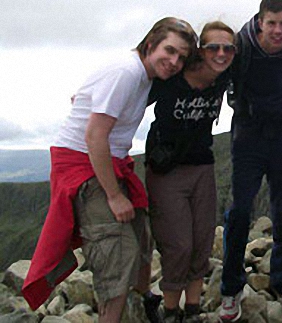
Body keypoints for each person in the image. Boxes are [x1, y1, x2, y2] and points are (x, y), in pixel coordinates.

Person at [22, 18, 198, 323]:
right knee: (117, 252)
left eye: (181, 57)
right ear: (150, 43)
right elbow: (94, 136)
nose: (174, 61)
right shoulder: (126, 72)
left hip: (107, 159)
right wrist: (114, 196)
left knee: (140, 240)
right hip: (84, 163)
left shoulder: (144, 75)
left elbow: (89, 101)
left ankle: (143, 302)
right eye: (169, 51)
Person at [219, 0, 282, 322]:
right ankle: (231, 289)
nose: (278, 30)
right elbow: (208, 79)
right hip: (247, 134)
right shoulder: (239, 46)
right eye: (272, 23)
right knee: (240, 210)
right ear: (261, 21)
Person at [145, 21, 236, 323]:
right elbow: (133, 94)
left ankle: (193, 309)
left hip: (202, 166)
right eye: (213, 47)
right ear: (201, 50)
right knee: (178, 245)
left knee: (201, 241)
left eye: (228, 48)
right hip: (166, 170)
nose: (221, 53)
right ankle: (170, 311)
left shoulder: (224, 78)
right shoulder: (172, 78)